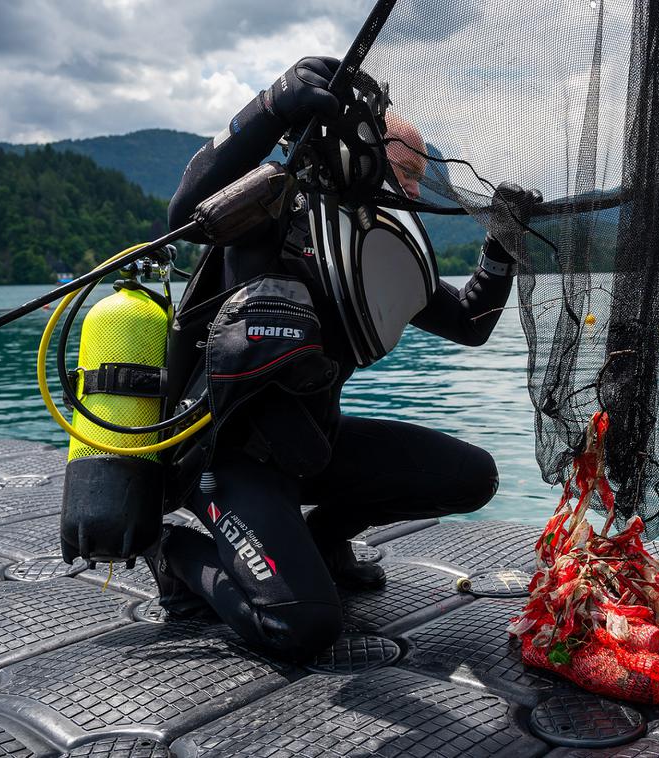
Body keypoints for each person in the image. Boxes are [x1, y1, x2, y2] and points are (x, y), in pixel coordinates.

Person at [148, 57, 528, 660]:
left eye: (416, 179)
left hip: (310, 447)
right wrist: (274, 105)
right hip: (228, 456)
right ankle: (171, 554)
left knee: (472, 476)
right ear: (359, 152)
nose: (408, 192)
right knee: (303, 627)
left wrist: (502, 246)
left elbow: (469, 322)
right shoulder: (274, 208)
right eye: (401, 172)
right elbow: (184, 210)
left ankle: (324, 541)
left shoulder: (379, 256)